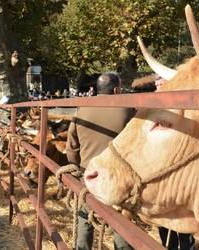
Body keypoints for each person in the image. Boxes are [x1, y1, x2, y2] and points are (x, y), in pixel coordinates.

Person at [66, 72, 135, 250]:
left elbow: (71, 146)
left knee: (85, 221)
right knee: (121, 225)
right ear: (117, 89)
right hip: (118, 177)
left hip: (88, 174)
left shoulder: (82, 108)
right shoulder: (127, 109)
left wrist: (77, 166)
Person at [154, 75, 196, 250]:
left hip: (182, 174)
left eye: (162, 84)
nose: (159, 89)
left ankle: (186, 246)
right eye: (157, 85)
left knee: (184, 215)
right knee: (164, 216)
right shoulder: (151, 108)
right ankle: (168, 245)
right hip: (159, 174)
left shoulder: (186, 109)